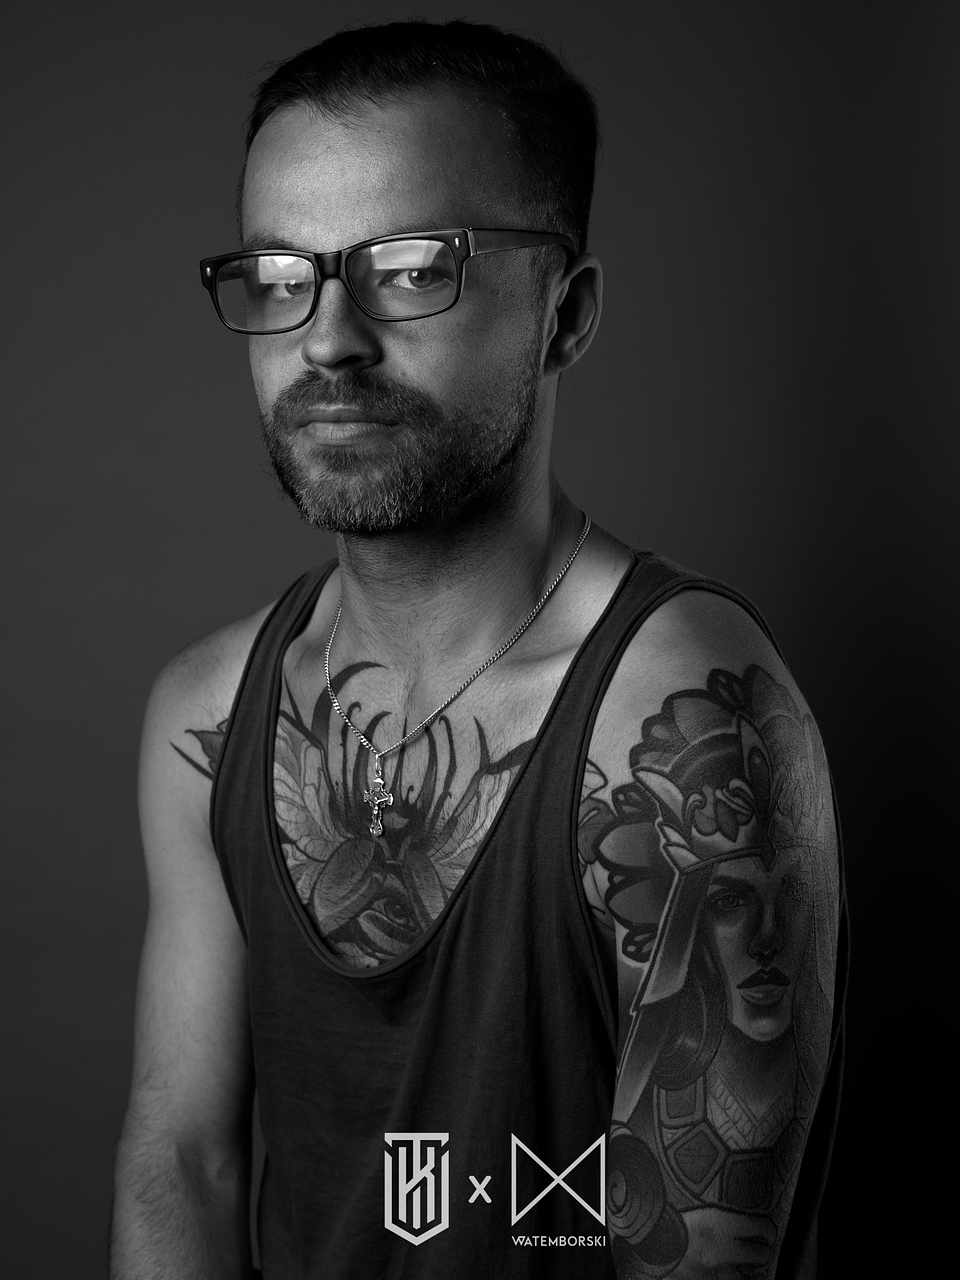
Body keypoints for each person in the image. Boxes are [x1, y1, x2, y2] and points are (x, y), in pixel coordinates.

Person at [110, 19, 846, 1280]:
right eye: (280, 274)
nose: (327, 340)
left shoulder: (681, 721)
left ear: (567, 314)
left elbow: (701, 1245)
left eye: (409, 269)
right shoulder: (207, 716)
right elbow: (184, 1161)